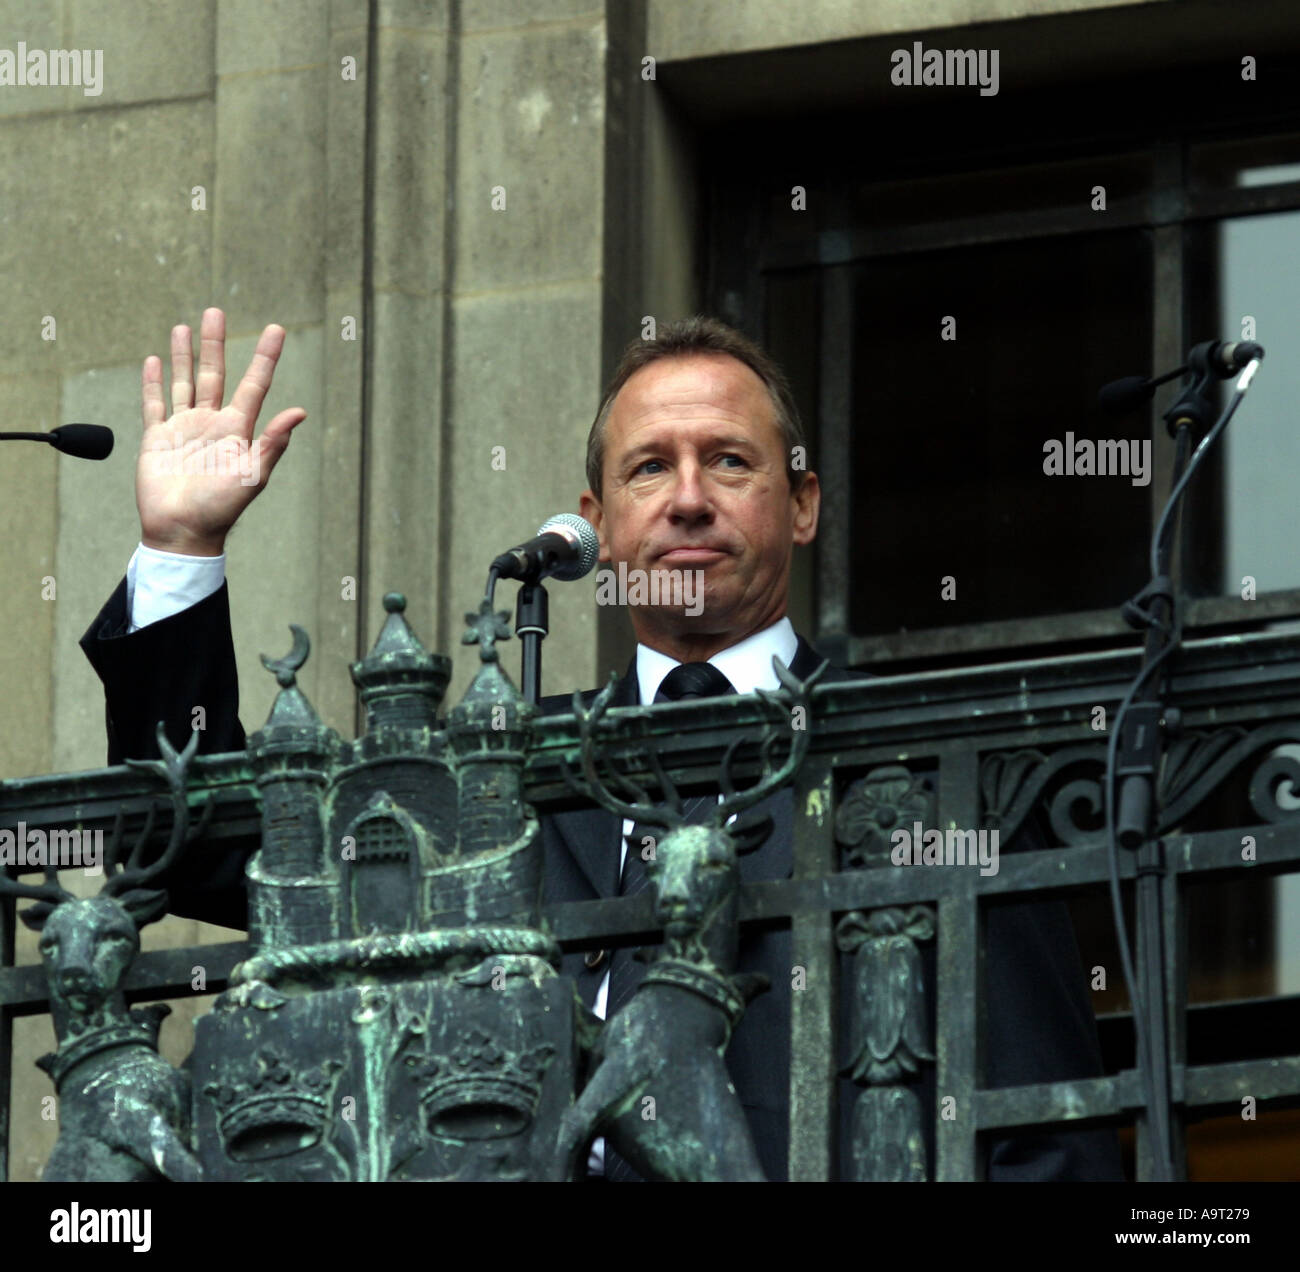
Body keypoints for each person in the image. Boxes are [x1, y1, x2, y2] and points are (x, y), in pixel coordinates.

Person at [80, 308, 1123, 1181]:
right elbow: (223, 848)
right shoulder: (505, 771)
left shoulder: (931, 770)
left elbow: (1047, 1131)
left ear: (800, 505)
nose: (686, 498)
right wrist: (181, 549)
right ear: (598, 525)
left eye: (728, 462)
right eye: (648, 470)